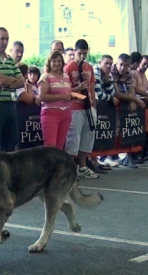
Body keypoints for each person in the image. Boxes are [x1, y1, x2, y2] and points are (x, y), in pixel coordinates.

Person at [64, 39, 99, 179]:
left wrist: (93, 106)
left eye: (84, 53)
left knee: (87, 137)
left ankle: (83, 166)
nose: (82, 56)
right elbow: (65, 91)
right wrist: (79, 90)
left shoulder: (89, 67)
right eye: (79, 53)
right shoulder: (68, 68)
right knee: (73, 139)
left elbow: (91, 87)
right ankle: (70, 169)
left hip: (88, 107)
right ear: (74, 51)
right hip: (74, 107)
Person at [36, 50, 72, 149]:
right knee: (50, 146)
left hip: (66, 113)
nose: (57, 63)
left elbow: (66, 92)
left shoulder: (66, 76)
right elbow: (42, 96)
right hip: (50, 114)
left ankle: (58, 165)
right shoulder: (45, 77)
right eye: (54, 61)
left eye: (59, 61)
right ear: (49, 62)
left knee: (60, 146)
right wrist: (61, 97)